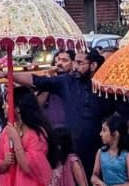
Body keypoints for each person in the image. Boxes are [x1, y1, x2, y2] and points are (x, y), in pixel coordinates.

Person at [17, 49, 114, 177]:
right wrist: (9, 74)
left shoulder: (106, 86)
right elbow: (36, 80)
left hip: (97, 150)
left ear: (93, 65)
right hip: (71, 149)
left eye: (80, 63)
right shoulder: (67, 81)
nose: (75, 67)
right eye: (75, 62)